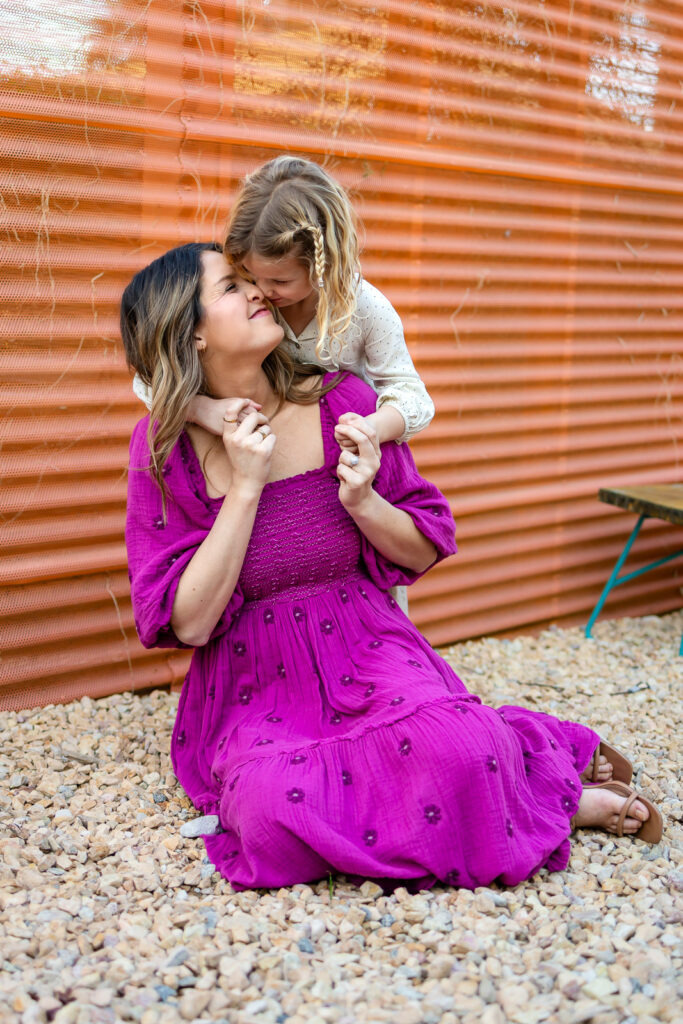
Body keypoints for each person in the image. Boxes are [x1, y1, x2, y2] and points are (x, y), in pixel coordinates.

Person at [122, 243, 663, 893]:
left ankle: (530, 767)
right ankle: (506, 785)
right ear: (193, 332)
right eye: (232, 287)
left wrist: (363, 501)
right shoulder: (165, 451)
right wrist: (243, 488)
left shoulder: (343, 402)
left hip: (367, 642)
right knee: (269, 817)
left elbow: (423, 548)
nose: (259, 291)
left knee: (463, 751)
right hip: (254, 678)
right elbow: (190, 621)